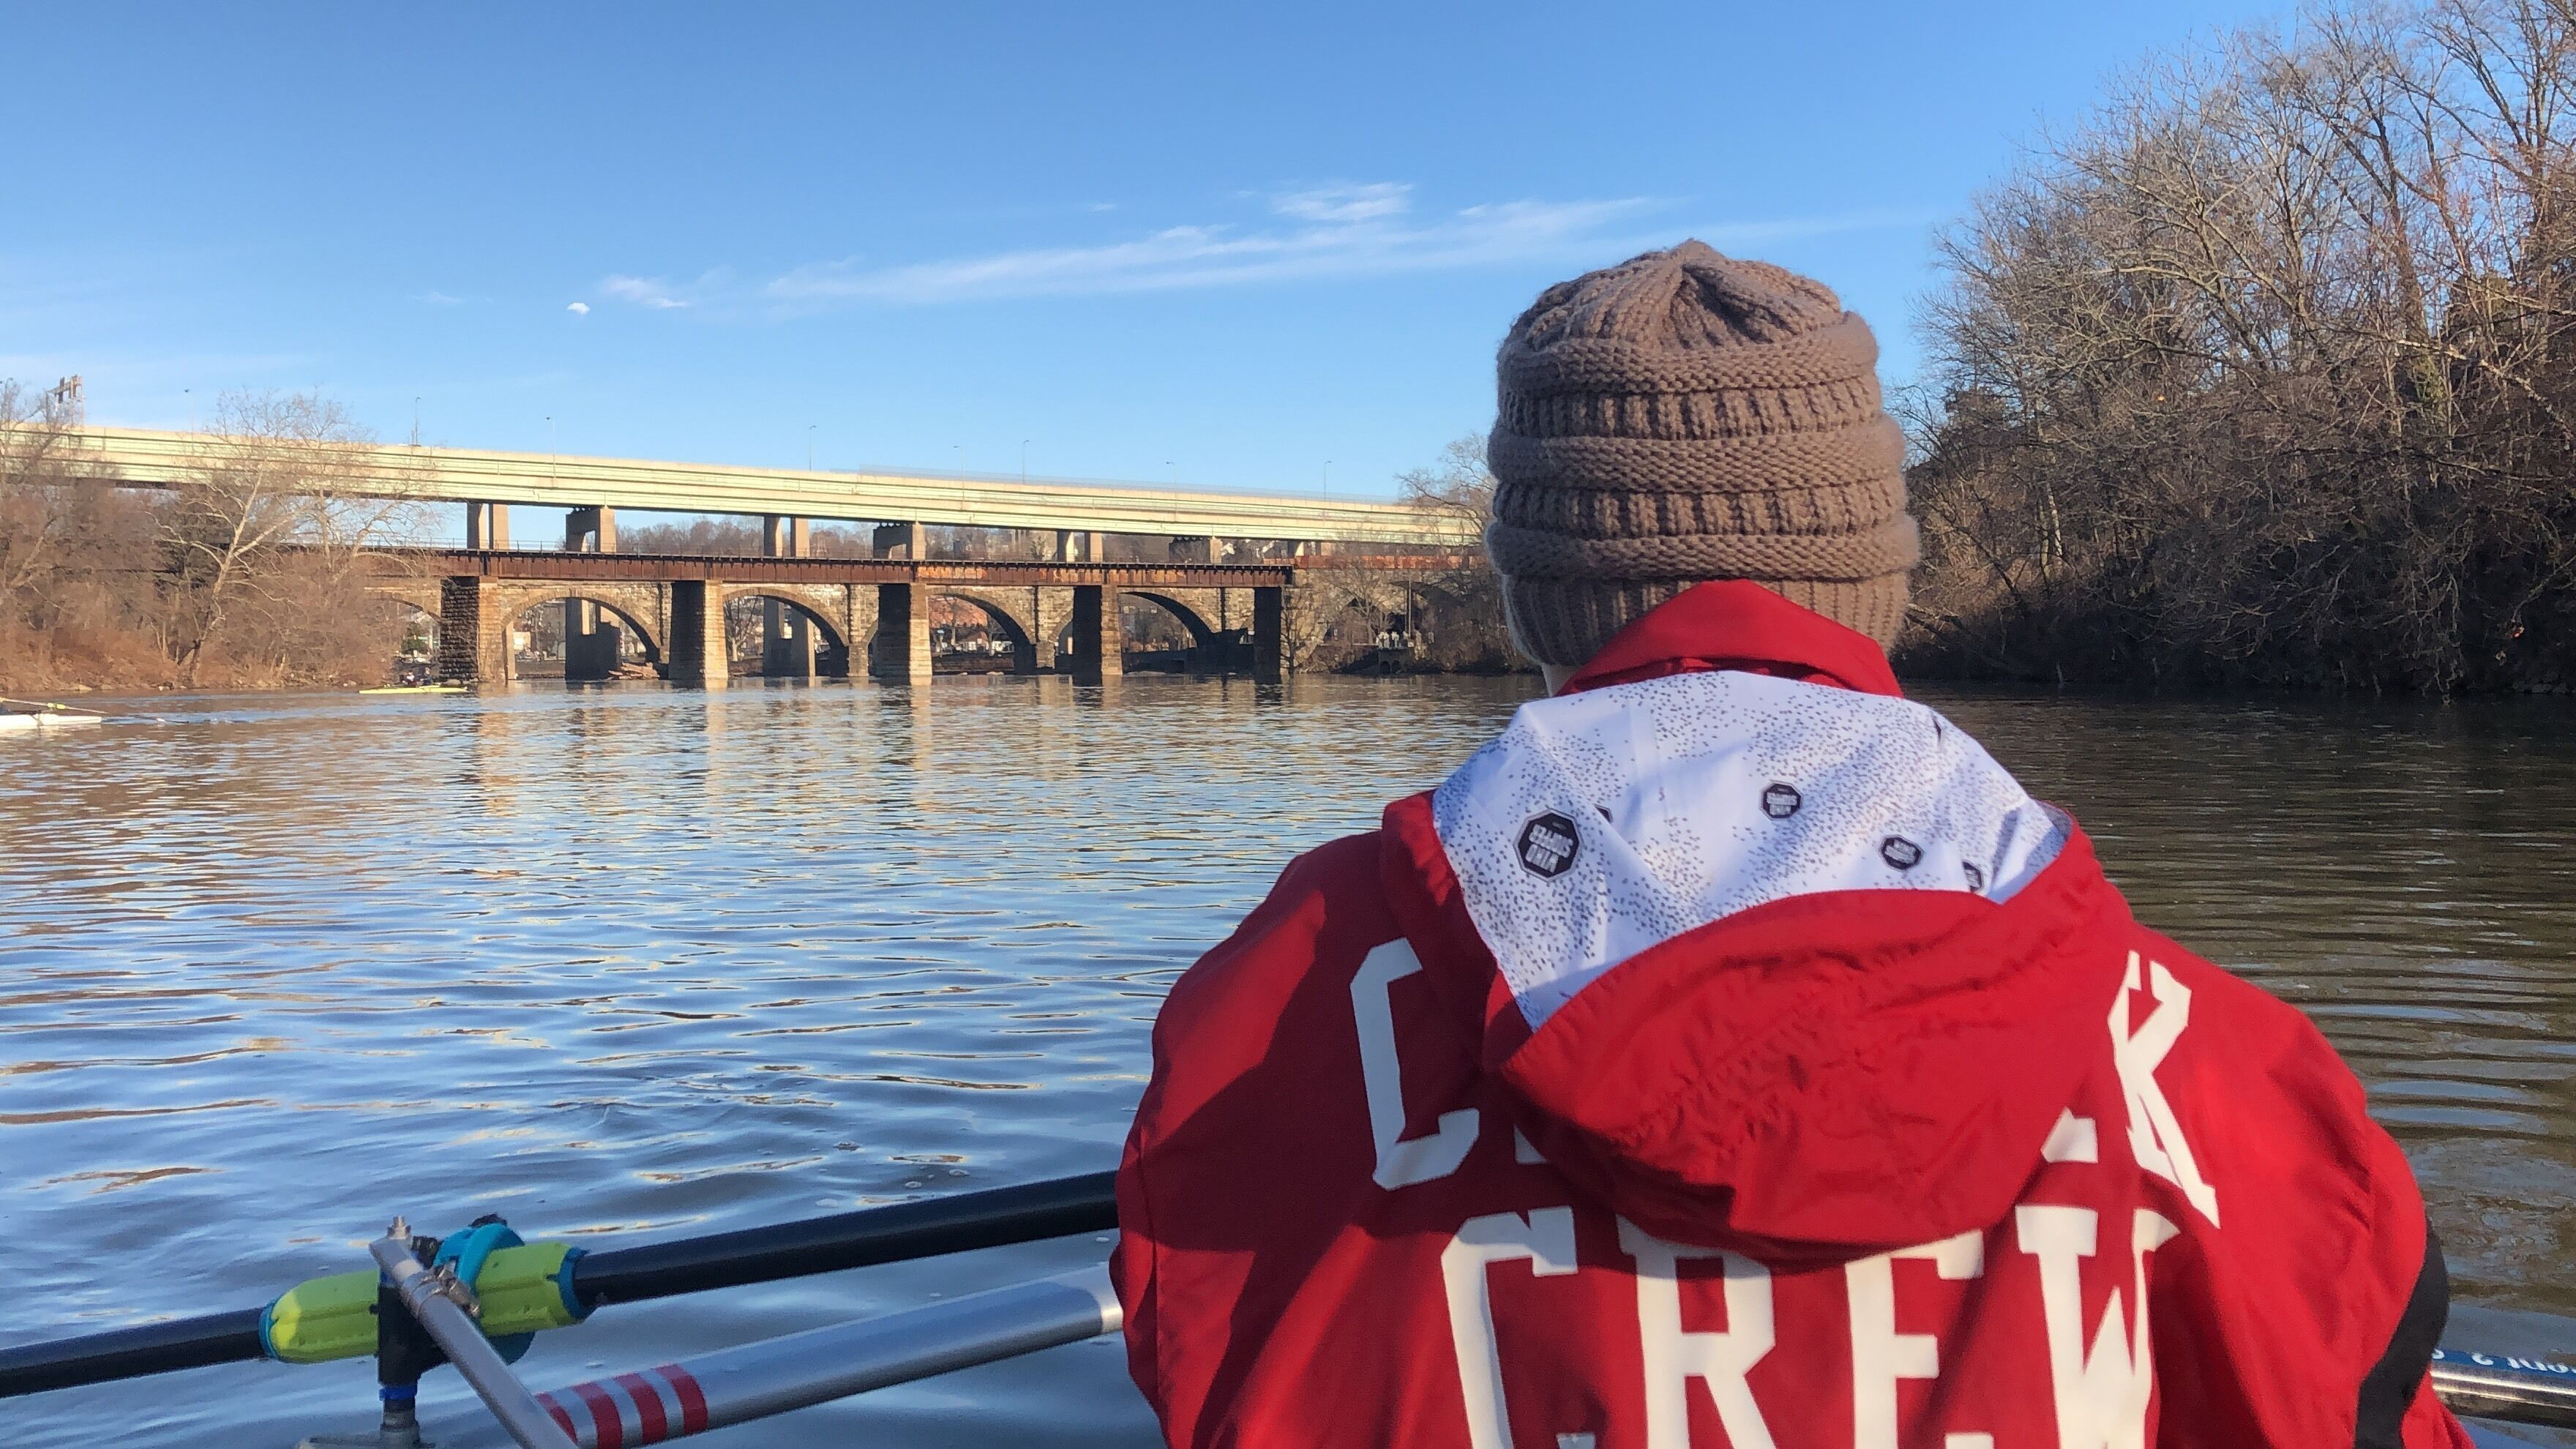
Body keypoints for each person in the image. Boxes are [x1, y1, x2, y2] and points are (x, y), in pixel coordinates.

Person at [1109, 242, 2474, 1448]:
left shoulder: (1275, 1016)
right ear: (1875, 577)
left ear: (1533, 594)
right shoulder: (2244, 1088)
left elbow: (1200, 1359)